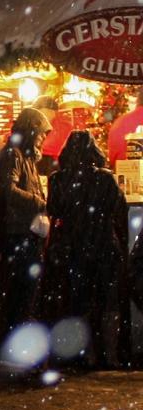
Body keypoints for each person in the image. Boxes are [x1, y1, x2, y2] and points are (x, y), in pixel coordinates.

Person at [39, 132, 128, 369]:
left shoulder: (57, 179)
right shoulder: (106, 179)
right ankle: (105, 355)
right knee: (104, 303)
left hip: (73, 247)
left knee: (76, 303)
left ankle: (78, 354)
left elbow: (53, 210)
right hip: (103, 246)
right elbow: (119, 209)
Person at [0, 107, 51, 337]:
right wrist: (38, 201)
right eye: (41, 134)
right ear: (31, 131)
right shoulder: (14, 154)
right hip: (19, 233)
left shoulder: (24, 155)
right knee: (21, 291)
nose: (43, 139)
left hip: (25, 232)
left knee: (25, 291)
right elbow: (7, 189)